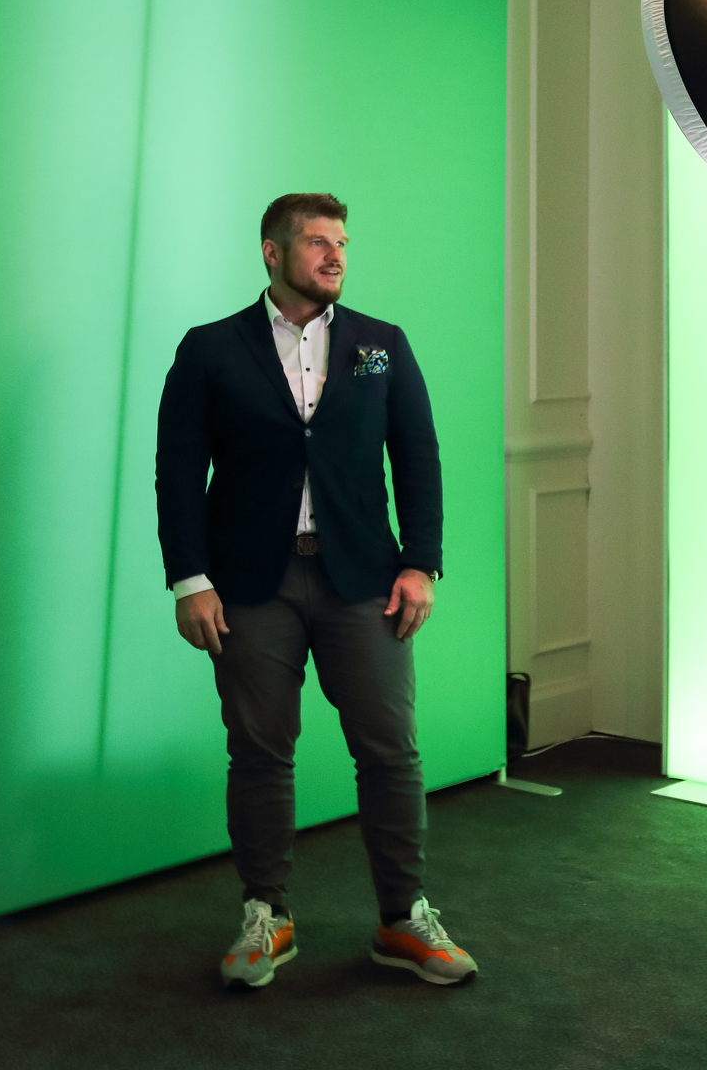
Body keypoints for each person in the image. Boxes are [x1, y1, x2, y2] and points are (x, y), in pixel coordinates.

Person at [156, 192, 478, 990]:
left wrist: (421, 563)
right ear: (273, 252)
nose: (336, 255)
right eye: (317, 242)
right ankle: (265, 915)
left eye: (342, 242)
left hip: (363, 580)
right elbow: (179, 471)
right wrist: (190, 579)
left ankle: (403, 918)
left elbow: (419, 457)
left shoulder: (381, 344)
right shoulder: (210, 348)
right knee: (260, 752)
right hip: (250, 585)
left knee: (390, 750)